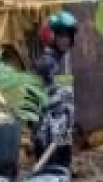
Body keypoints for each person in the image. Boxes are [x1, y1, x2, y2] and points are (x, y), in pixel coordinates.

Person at [33, 11, 79, 170]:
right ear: (51, 36)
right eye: (61, 35)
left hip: (62, 128)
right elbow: (43, 99)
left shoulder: (63, 61)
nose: (65, 40)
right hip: (49, 130)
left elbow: (66, 93)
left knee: (63, 165)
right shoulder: (46, 63)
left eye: (68, 35)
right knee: (51, 169)